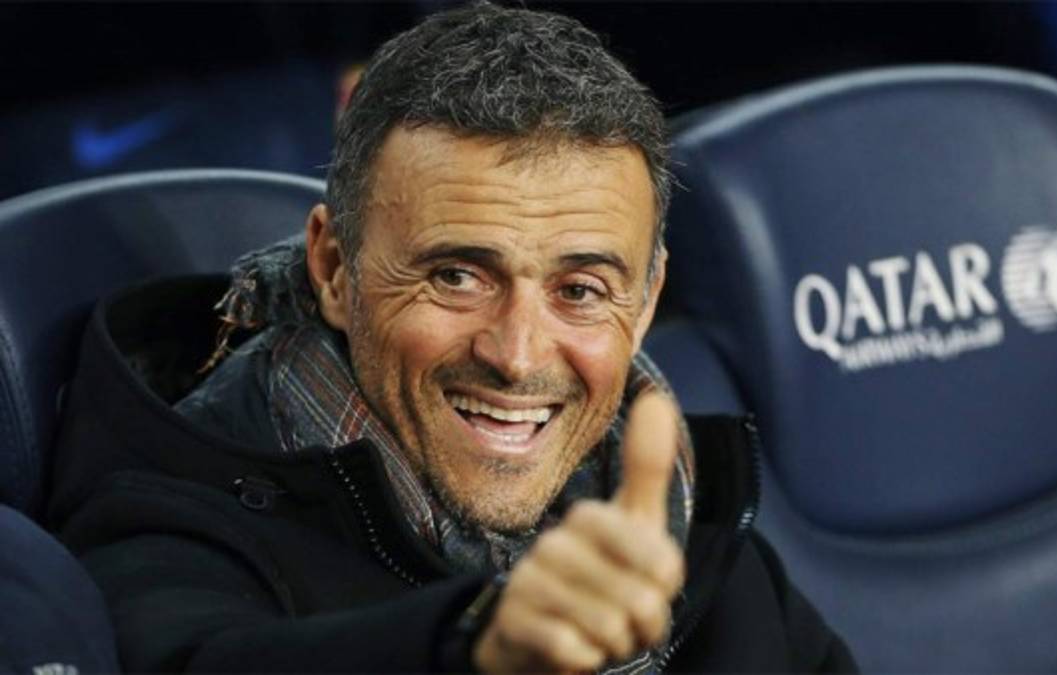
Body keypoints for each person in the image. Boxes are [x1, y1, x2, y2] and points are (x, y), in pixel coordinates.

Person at [47, 2, 856, 672]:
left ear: (644, 303)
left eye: (579, 291)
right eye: (457, 276)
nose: (517, 355)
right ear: (334, 268)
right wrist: (474, 645)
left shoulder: (693, 523)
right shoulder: (165, 524)